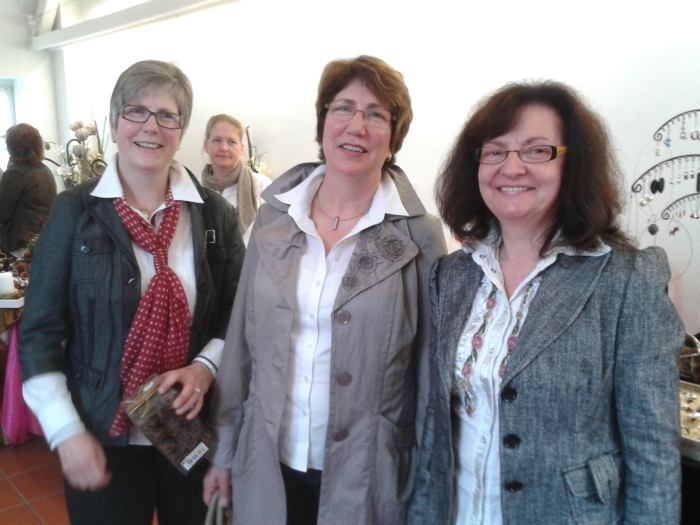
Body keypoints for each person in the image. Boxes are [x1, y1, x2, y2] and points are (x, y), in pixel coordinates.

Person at [408, 81, 685, 525]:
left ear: (572, 163)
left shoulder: (625, 279)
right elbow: (437, 429)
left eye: (537, 151)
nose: (511, 167)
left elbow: (653, 453)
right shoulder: (453, 274)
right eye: (494, 151)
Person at [204, 55, 447, 525]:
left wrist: (426, 486)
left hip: (369, 477)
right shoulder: (275, 219)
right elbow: (240, 349)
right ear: (322, 125)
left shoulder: (419, 236)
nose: (356, 126)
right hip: (268, 461)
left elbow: (428, 374)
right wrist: (224, 451)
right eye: (343, 109)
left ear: (393, 137)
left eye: (376, 114)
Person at [18, 60, 245, 525]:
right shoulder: (75, 212)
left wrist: (205, 367)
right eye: (136, 111)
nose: (151, 127)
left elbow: (237, 312)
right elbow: (39, 333)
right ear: (114, 123)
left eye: (167, 115)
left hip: (190, 426)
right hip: (103, 431)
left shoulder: (214, 216)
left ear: (181, 131)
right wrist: (66, 432)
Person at [202, 114, 271, 245]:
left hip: (253, 264)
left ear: (241, 149)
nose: (224, 148)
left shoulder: (262, 186)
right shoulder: (195, 191)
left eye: (231, 142)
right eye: (216, 140)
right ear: (206, 145)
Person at [0, 123, 57, 257]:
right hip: (43, 241)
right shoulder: (44, 170)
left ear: (12, 148)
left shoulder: (16, 173)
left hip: (19, 247)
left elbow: (2, 213)